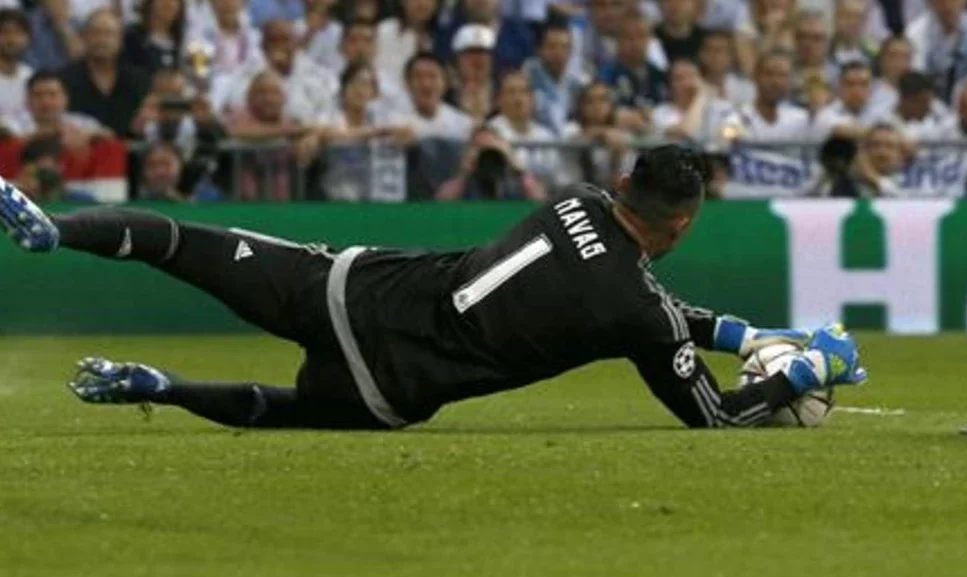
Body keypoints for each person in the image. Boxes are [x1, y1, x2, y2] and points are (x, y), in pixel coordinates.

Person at [2, 146, 865, 430]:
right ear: (681, 225)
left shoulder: (574, 203)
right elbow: (708, 413)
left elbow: (649, 303)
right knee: (288, 412)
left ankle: (55, 230)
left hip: (344, 290)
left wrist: (752, 334)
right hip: (387, 388)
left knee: (178, 240)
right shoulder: (633, 309)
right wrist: (795, 373)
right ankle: (166, 390)